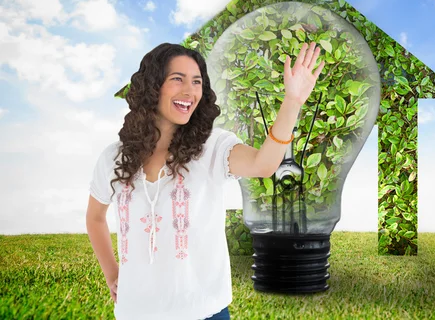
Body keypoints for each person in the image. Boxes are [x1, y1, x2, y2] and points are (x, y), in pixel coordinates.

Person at [86, 41, 325, 319]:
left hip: (204, 310)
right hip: (134, 311)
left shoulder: (213, 147)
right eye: (178, 79)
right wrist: (112, 273)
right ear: (153, 86)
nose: (190, 91)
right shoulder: (114, 157)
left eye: (197, 82)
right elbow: (95, 218)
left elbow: (264, 164)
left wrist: (292, 102)